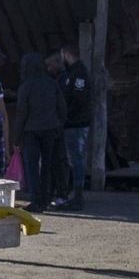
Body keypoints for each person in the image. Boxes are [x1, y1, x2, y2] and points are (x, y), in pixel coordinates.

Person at [14, 50, 67, 210]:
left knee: (32, 166)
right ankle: (45, 198)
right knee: (47, 164)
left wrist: (16, 140)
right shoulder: (52, 83)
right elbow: (62, 108)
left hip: (31, 131)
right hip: (51, 129)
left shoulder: (25, 87)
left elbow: (21, 115)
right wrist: (59, 126)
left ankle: (36, 200)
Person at [54, 45, 93, 209]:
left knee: (76, 159)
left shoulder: (79, 74)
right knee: (73, 159)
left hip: (75, 124)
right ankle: (73, 195)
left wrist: (66, 116)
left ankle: (78, 197)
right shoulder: (74, 73)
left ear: (67, 54)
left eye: (62, 55)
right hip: (75, 123)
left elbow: (79, 100)